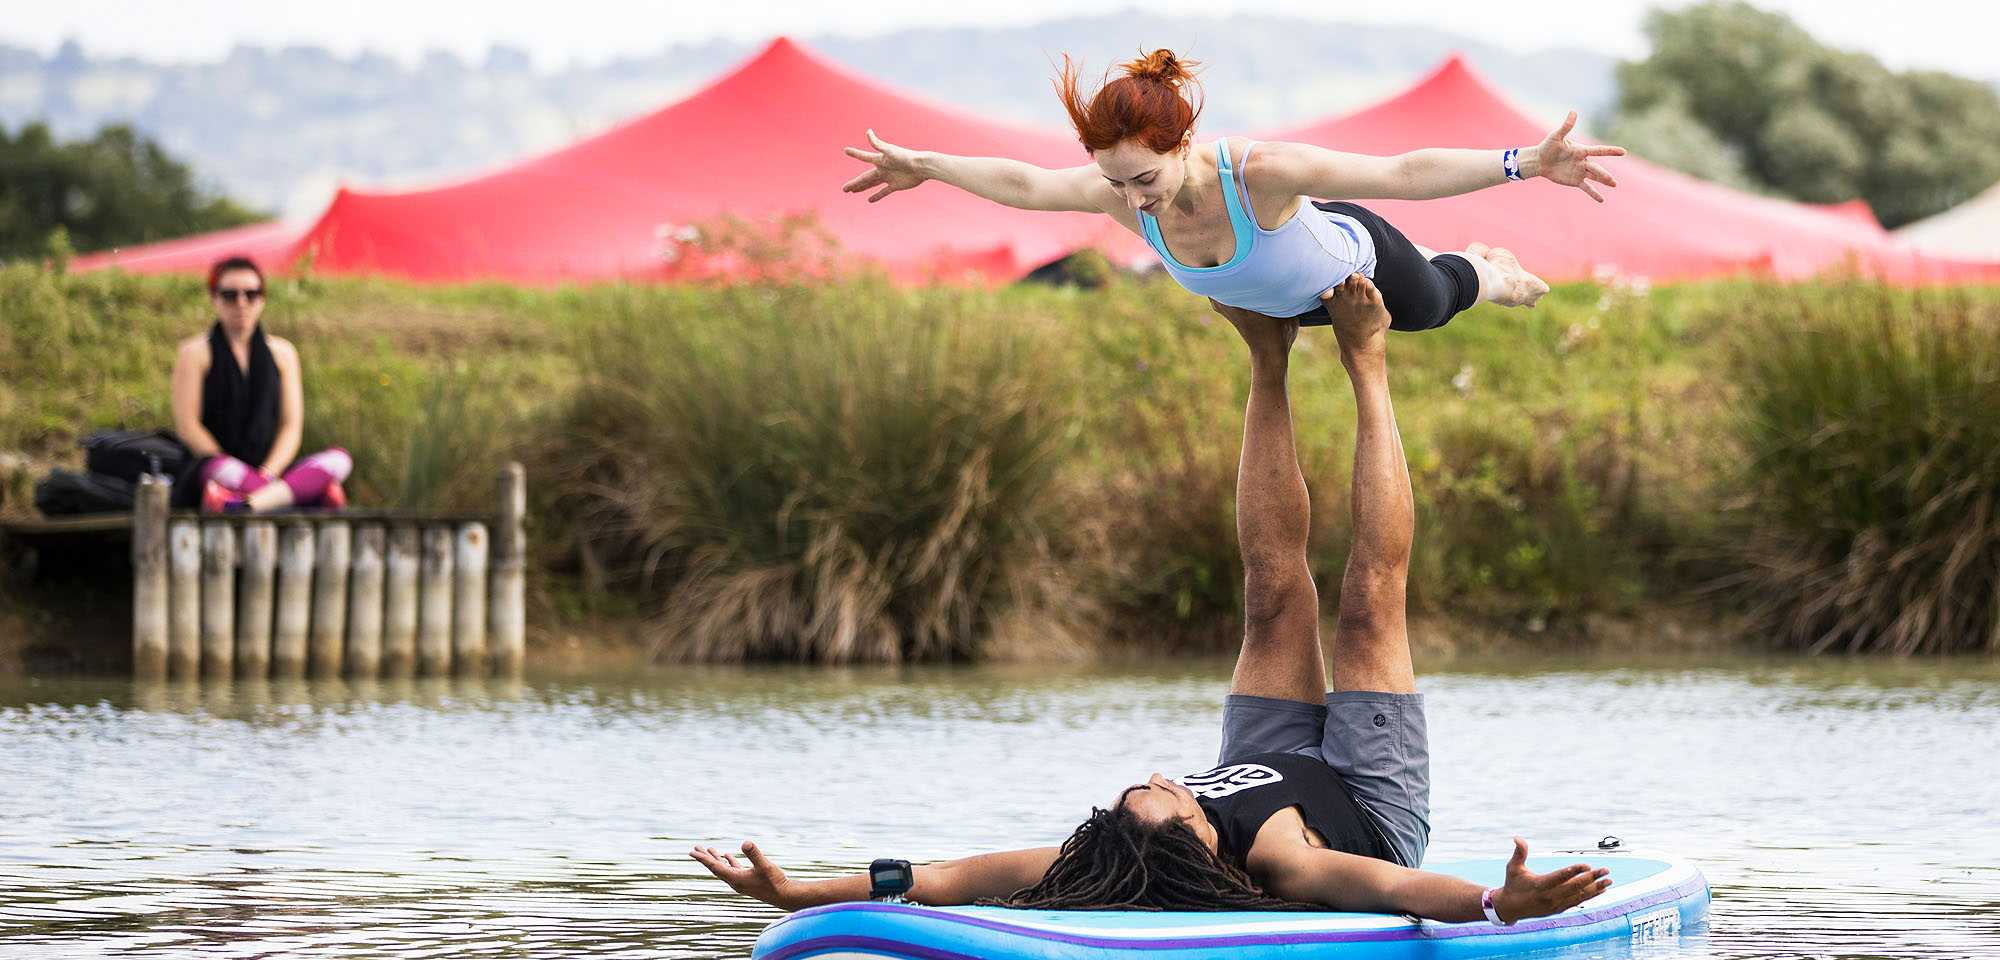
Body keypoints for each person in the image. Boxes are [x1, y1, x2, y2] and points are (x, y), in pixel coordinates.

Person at [692, 276, 1612, 922]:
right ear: (1202, 847)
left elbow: (942, 878)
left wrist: (798, 892)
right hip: (1367, 800)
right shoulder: (1284, 859)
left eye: (1146, 790)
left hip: (1266, 749)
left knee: (1270, 591)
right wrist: (1500, 902)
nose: (1166, 780)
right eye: (1172, 798)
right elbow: (1402, 894)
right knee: (1371, 597)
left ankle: (1267, 355)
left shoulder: (1107, 846)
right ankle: (1367, 363)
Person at [843, 50, 1625, 332]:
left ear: (1183, 145)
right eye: (1117, 184)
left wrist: (1524, 160)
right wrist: (926, 164)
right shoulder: (1117, 192)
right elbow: (1023, 182)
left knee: (1435, 304)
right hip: (1287, 310)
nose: (1131, 201)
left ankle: (1493, 270)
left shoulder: (1258, 173)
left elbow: (1401, 175)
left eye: (1144, 179)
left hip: (1357, 262)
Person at [171, 255, 350, 514]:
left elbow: (291, 427)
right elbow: (188, 427)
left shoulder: (283, 353)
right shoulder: (195, 353)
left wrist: (268, 473)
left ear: (262, 298)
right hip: (218, 465)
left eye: (251, 294)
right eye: (230, 295)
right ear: (214, 299)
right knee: (221, 468)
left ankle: (244, 504)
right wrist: (235, 467)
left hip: (269, 469)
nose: (241, 303)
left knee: (339, 459)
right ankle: (301, 496)